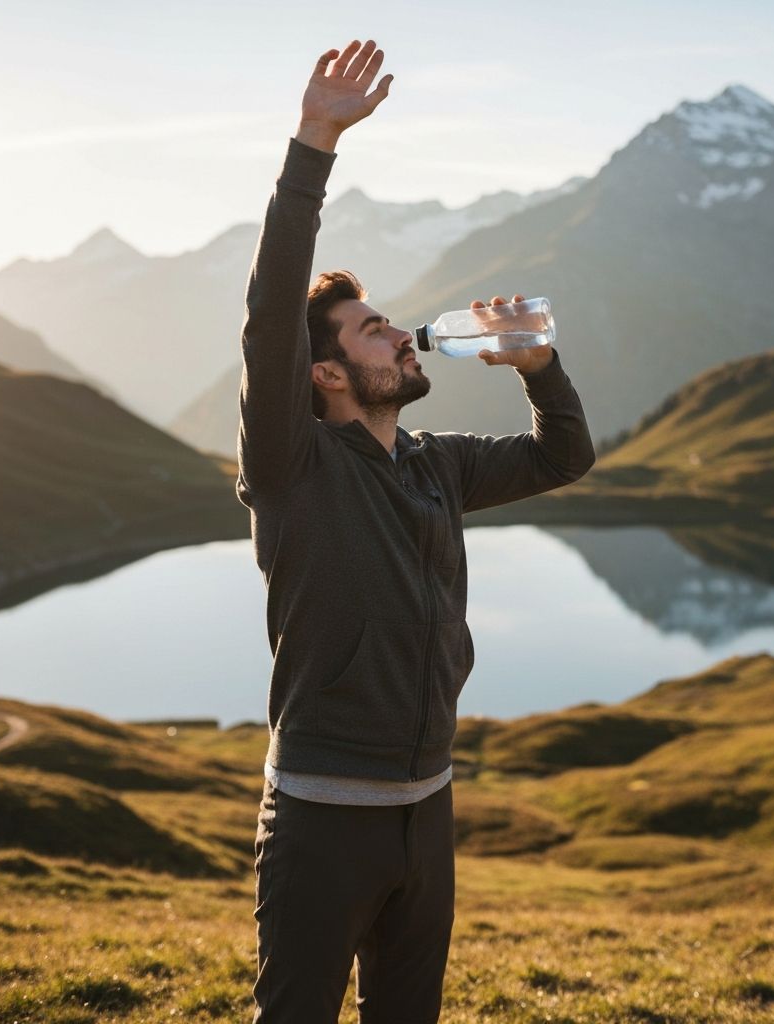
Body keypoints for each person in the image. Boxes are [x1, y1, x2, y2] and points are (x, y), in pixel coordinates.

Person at [236, 38, 595, 1024]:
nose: (400, 334)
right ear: (325, 374)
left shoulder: (435, 463)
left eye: (392, 322)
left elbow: (564, 457)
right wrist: (313, 144)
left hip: (424, 813)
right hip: (319, 820)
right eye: (371, 330)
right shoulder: (292, 467)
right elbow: (272, 316)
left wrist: (536, 364)